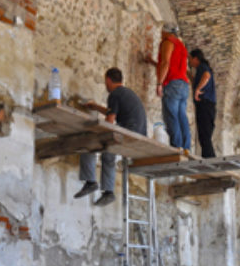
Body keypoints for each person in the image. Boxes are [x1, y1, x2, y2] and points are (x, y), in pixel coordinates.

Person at [74, 67, 146, 206]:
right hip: (138, 134)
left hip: (128, 132)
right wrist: (96, 107)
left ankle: (90, 181)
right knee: (108, 153)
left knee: (88, 142)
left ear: (108, 80)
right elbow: (112, 112)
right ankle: (108, 192)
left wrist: (97, 132)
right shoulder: (126, 93)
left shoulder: (114, 94)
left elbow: (110, 122)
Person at [153, 23, 191, 150]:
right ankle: (186, 148)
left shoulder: (168, 42)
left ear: (166, 32)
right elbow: (173, 65)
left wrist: (159, 83)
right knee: (181, 116)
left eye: (162, 31)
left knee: (171, 116)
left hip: (172, 84)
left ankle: (176, 147)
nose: (160, 34)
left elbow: (165, 63)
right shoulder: (181, 46)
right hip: (183, 84)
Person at [189, 48, 216, 158]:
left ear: (196, 59)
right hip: (206, 105)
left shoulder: (203, 68)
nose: (189, 62)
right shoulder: (200, 69)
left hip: (205, 104)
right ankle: (208, 159)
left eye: (190, 59)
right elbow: (197, 80)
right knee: (204, 136)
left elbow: (206, 76)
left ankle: (210, 160)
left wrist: (197, 90)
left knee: (204, 135)